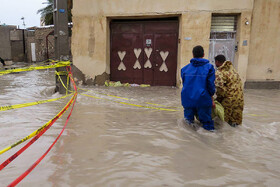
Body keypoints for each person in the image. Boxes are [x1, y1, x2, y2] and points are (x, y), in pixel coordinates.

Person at [181, 45, 216, 131]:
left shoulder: (184, 69)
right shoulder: (209, 68)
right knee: (207, 125)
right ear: (203, 54)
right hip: (203, 99)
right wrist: (212, 98)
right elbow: (210, 86)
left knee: (188, 125)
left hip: (187, 99)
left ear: (193, 55)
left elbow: (185, 83)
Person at [214, 55, 244, 127]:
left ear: (217, 62)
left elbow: (220, 89)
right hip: (239, 99)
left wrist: (218, 100)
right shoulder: (233, 70)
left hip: (228, 101)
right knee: (236, 123)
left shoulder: (219, 72)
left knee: (223, 124)